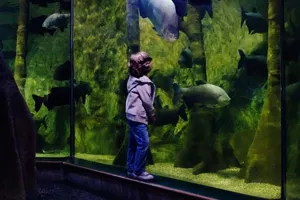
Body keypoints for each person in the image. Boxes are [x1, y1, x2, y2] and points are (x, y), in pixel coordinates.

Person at [125, 51, 156, 181]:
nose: (149, 63)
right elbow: (147, 103)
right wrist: (153, 115)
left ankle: (131, 169)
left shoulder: (132, 80)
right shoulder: (143, 83)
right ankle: (139, 171)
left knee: (133, 143)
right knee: (143, 143)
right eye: (146, 62)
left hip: (131, 115)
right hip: (138, 116)